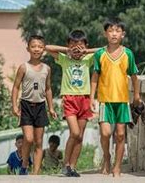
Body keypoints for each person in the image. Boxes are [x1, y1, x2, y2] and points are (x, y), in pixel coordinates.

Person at [89, 17, 141, 177]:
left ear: (123, 35)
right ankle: (107, 158)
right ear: (105, 34)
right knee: (105, 133)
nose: (114, 34)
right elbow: (95, 77)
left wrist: (137, 96)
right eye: (110, 31)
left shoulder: (128, 54)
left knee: (120, 135)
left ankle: (117, 167)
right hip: (105, 100)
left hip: (123, 101)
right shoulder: (100, 54)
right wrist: (92, 98)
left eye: (117, 31)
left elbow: (134, 76)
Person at [46, 30, 98, 177]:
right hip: (69, 99)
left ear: (86, 46)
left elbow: (105, 49)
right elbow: (47, 47)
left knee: (80, 136)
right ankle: (65, 165)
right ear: (68, 45)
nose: (77, 48)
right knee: (74, 132)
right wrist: (67, 50)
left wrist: (86, 51)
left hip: (85, 99)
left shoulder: (88, 59)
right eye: (73, 44)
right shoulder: (64, 59)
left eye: (80, 45)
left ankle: (72, 167)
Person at [11, 35, 57, 175]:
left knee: (38, 141)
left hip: (40, 106)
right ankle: (25, 163)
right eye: (33, 46)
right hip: (26, 106)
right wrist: (14, 105)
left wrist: (51, 107)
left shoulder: (47, 69)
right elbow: (16, 87)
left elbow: (48, 89)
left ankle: (35, 173)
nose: (36, 49)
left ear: (43, 49)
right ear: (28, 49)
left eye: (39, 46)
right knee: (29, 138)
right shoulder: (23, 67)